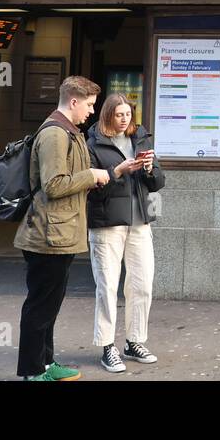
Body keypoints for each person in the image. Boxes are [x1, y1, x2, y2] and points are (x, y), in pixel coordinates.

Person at [13, 76, 109, 381]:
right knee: (40, 307)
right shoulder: (55, 134)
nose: (92, 112)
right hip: (48, 236)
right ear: (74, 101)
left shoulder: (69, 131)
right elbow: (54, 185)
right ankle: (31, 371)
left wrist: (90, 179)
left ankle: (45, 363)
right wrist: (91, 175)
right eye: (90, 105)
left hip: (59, 233)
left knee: (49, 306)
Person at [85, 93, 165, 374]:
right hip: (107, 223)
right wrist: (117, 171)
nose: (124, 120)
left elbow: (158, 182)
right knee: (107, 286)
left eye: (128, 115)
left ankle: (134, 340)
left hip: (140, 220)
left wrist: (148, 169)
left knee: (142, 283)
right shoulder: (93, 143)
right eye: (119, 115)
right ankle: (107, 346)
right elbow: (90, 188)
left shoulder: (141, 138)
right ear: (108, 115)